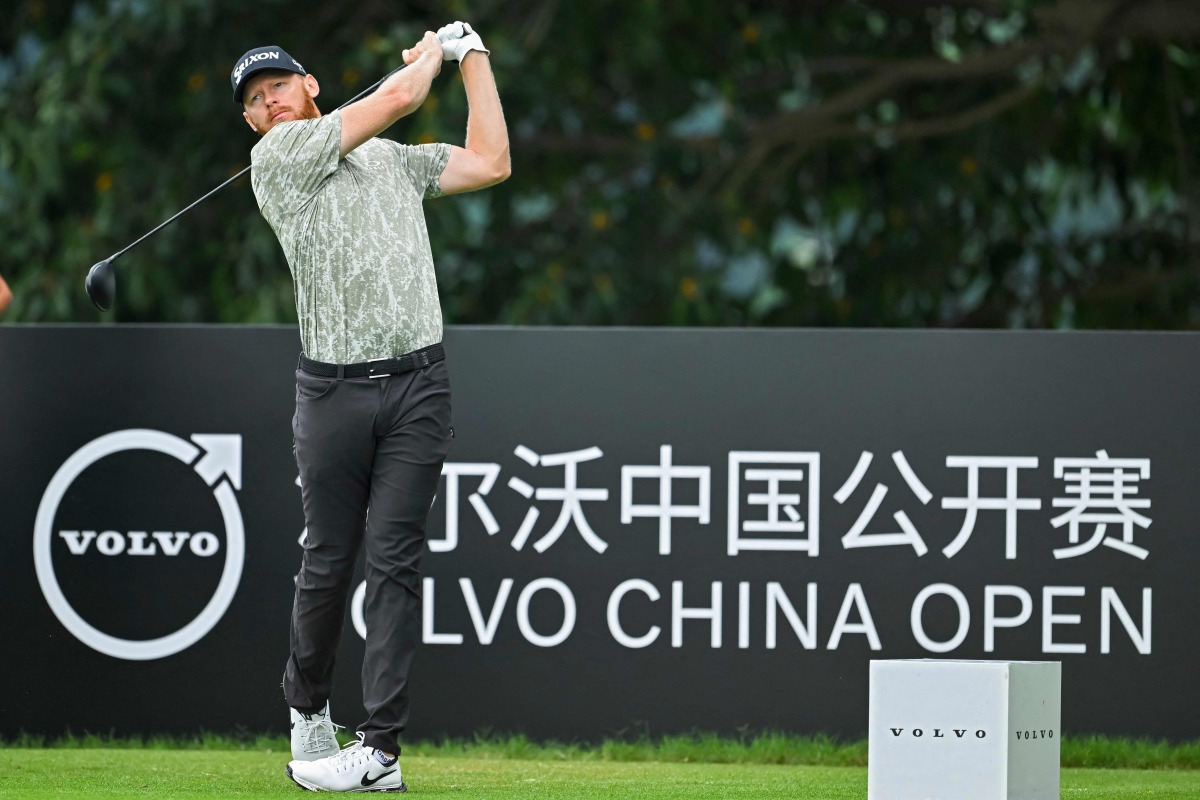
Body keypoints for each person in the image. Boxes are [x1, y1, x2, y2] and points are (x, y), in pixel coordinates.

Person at [230, 21, 509, 793]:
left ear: (310, 84)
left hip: (420, 384)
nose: (268, 104)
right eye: (254, 101)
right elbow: (394, 98)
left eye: (277, 86)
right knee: (327, 559)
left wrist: (473, 56)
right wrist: (428, 60)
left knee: (395, 558)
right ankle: (308, 710)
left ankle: (380, 750)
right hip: (332, 392)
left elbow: (491, 161)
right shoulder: (276, 159)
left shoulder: (391, 161)